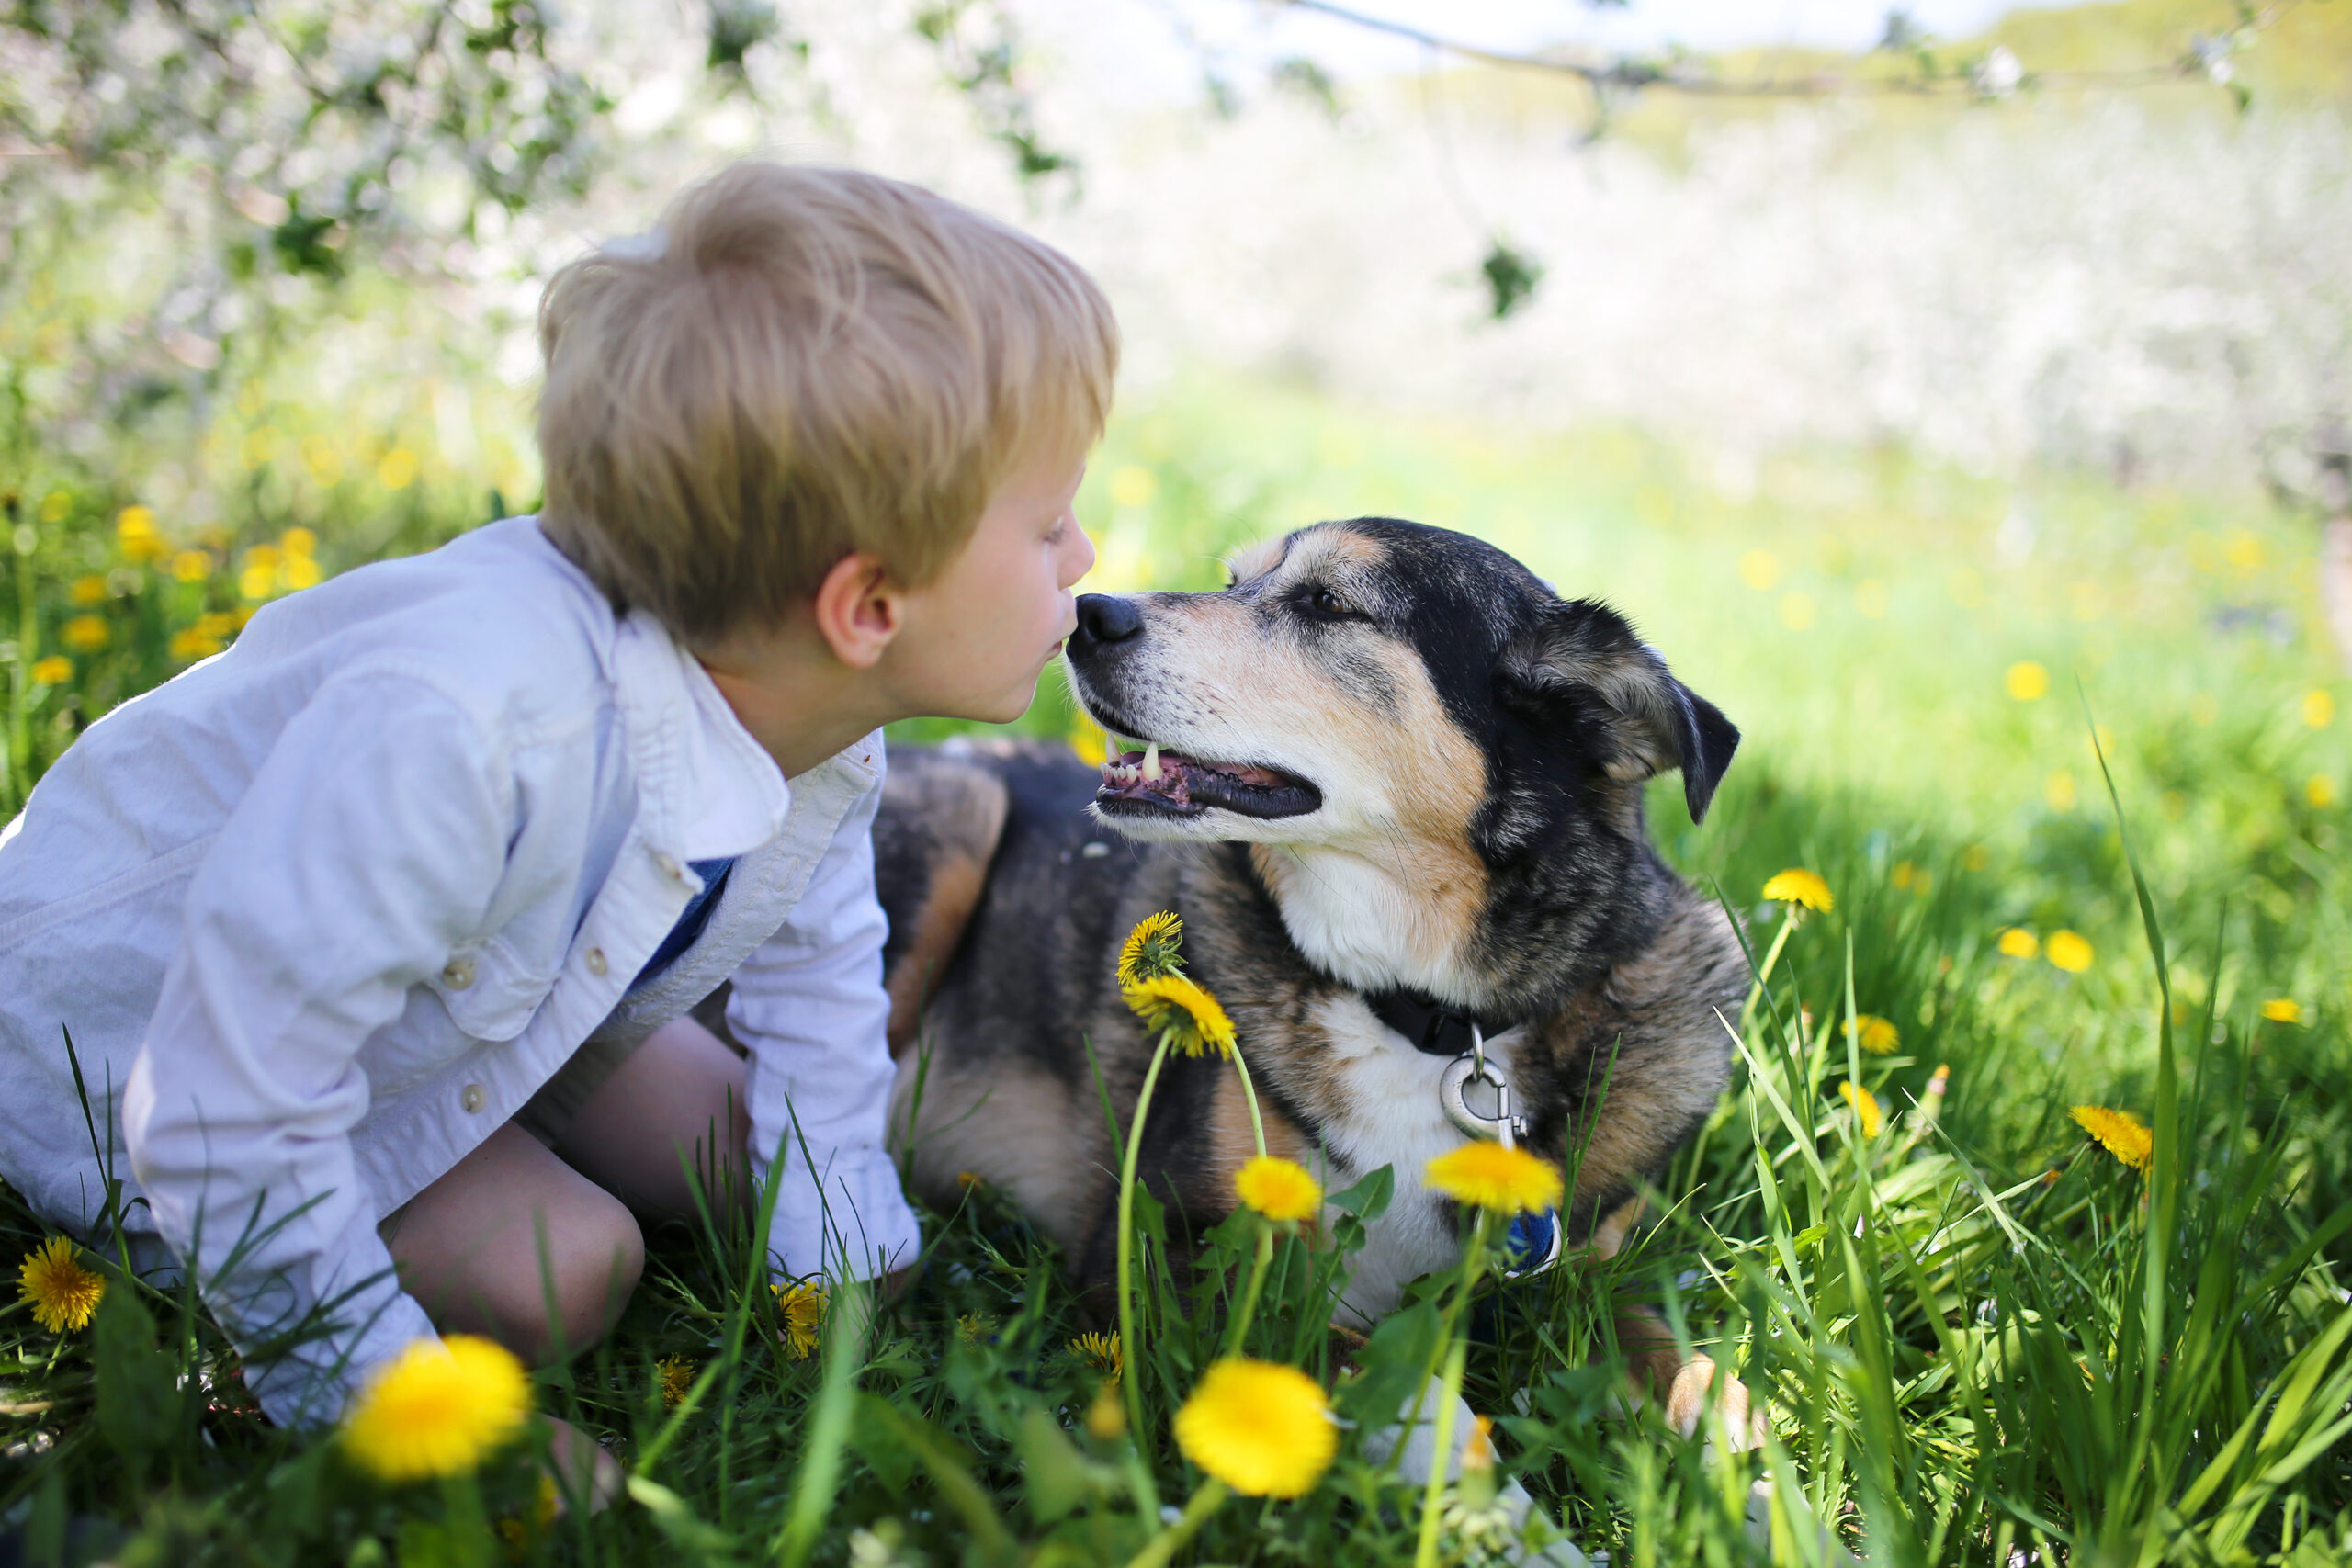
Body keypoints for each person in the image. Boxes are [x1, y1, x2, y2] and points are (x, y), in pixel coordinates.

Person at [0, 162, 1114, 1492]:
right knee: (568, 1269)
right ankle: (273, 1364)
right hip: (115, 1047)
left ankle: (512, 1180)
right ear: (866, 606)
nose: (1088, 555)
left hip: (453, 1008)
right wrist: (392, 1414)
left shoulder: (819, 715)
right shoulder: (463, 728)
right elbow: (218, 1103)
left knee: (744, 1155)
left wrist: (847, 1275)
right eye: (1047, 525)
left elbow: (820, 981)